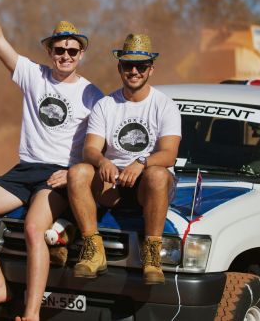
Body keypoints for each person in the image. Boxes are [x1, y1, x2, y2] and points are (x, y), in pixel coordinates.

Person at [0, 0, 103, 321]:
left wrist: (75, 175)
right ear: (49, 51)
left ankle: (32, 313)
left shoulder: (93, 95)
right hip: (24, 169)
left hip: (58, 176)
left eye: (72, 50)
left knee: (35, 229)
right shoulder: (32, 74)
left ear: (82, 54)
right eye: (59, 49)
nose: (65, 55)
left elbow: (100, 145)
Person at [67, 33, 181, 285]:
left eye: (140, 66)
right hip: (111, 185)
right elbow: (90, 149)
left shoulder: (165, 106)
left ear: (151, 69)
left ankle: (152, 258)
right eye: (128, 65)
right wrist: (103, 161)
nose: (134, 71)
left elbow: (169, 154)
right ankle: (93, 250)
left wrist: (140, 162)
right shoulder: (105, 105)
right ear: (119, 67)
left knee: (158, 173)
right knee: (77, 172)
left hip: (148, 187)